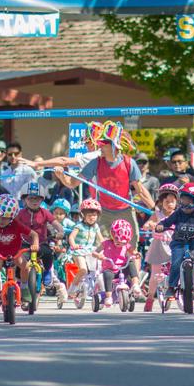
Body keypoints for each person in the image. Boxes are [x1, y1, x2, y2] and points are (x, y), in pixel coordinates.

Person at [73, 122, 154, 251]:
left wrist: (155, 209)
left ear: (113, 145)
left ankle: (134, 272)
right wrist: (61, 175)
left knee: (131, 249)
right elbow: (73, 183)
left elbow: (141, 190)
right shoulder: (96, 162)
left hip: (126, 210)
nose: (99, 147)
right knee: (102, 248)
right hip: (104, 211)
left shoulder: (129, 163)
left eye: (103, 144)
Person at [0, 194, 39, 307]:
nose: (1, 220)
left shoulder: (17, 225)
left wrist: (35, 244)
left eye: (5, 218)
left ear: (12, 218)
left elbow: (34, 234)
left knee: (25, 265)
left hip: (15, 253)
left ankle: (25, 287)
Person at [155, 182, 194, 292]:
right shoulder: (178, 213)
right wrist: (161, 226)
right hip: (179, 242)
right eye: (182, 198)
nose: (184, 201)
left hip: (193, 241)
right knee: (176, 264)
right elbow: (167, 222)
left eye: (187, 199)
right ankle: (171, 287)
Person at [16, 182, 62, 288]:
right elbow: (13, 225)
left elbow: (56, 224)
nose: (34, 201)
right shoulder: (21, 213)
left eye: (37, 198)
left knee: (48, 254)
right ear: (24, 200)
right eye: (30, 198)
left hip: (41, 243)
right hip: (25, 243)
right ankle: (19, 280)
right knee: (19, 259)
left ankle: (46, 271)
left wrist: (60, 232)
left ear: (42, 199)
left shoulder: (45, 212)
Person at [142, 183, 178, 311]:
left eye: (172, 202)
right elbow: (149, 222)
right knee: (155, 275)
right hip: (158, 246)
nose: (169, 204)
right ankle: (150, 298)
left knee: (177, 267)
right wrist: (150, 225)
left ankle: (176, 289)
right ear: (161, 202)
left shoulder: (177, 214)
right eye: (166, 201)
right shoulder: (157, 214)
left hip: (173, 245)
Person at [94, 219, 141, 307]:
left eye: (122, 242)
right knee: (107, 274)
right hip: (110, 268)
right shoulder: (106, 243)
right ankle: (108, 297)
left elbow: (133, 251)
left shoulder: (127, 245)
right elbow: (95, 252)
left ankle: (135, 284)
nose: (119, 243)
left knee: (130, 262)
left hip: (122, 269)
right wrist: (98, 255)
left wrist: (136, 254)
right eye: (117, 240)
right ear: (112, 235)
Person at [67, 198, 103, 298]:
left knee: (97, 271)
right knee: (83, 269)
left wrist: (107, 247)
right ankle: (72, 289)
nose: (92, 217)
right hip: (78, 250)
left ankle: (94, 290)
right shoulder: (79, 226)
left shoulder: (96, 227)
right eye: (89, 215)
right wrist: (73, 244)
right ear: (83, 215)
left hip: (90, 251)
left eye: (94, 215)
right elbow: (71, 237)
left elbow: (101, 240)